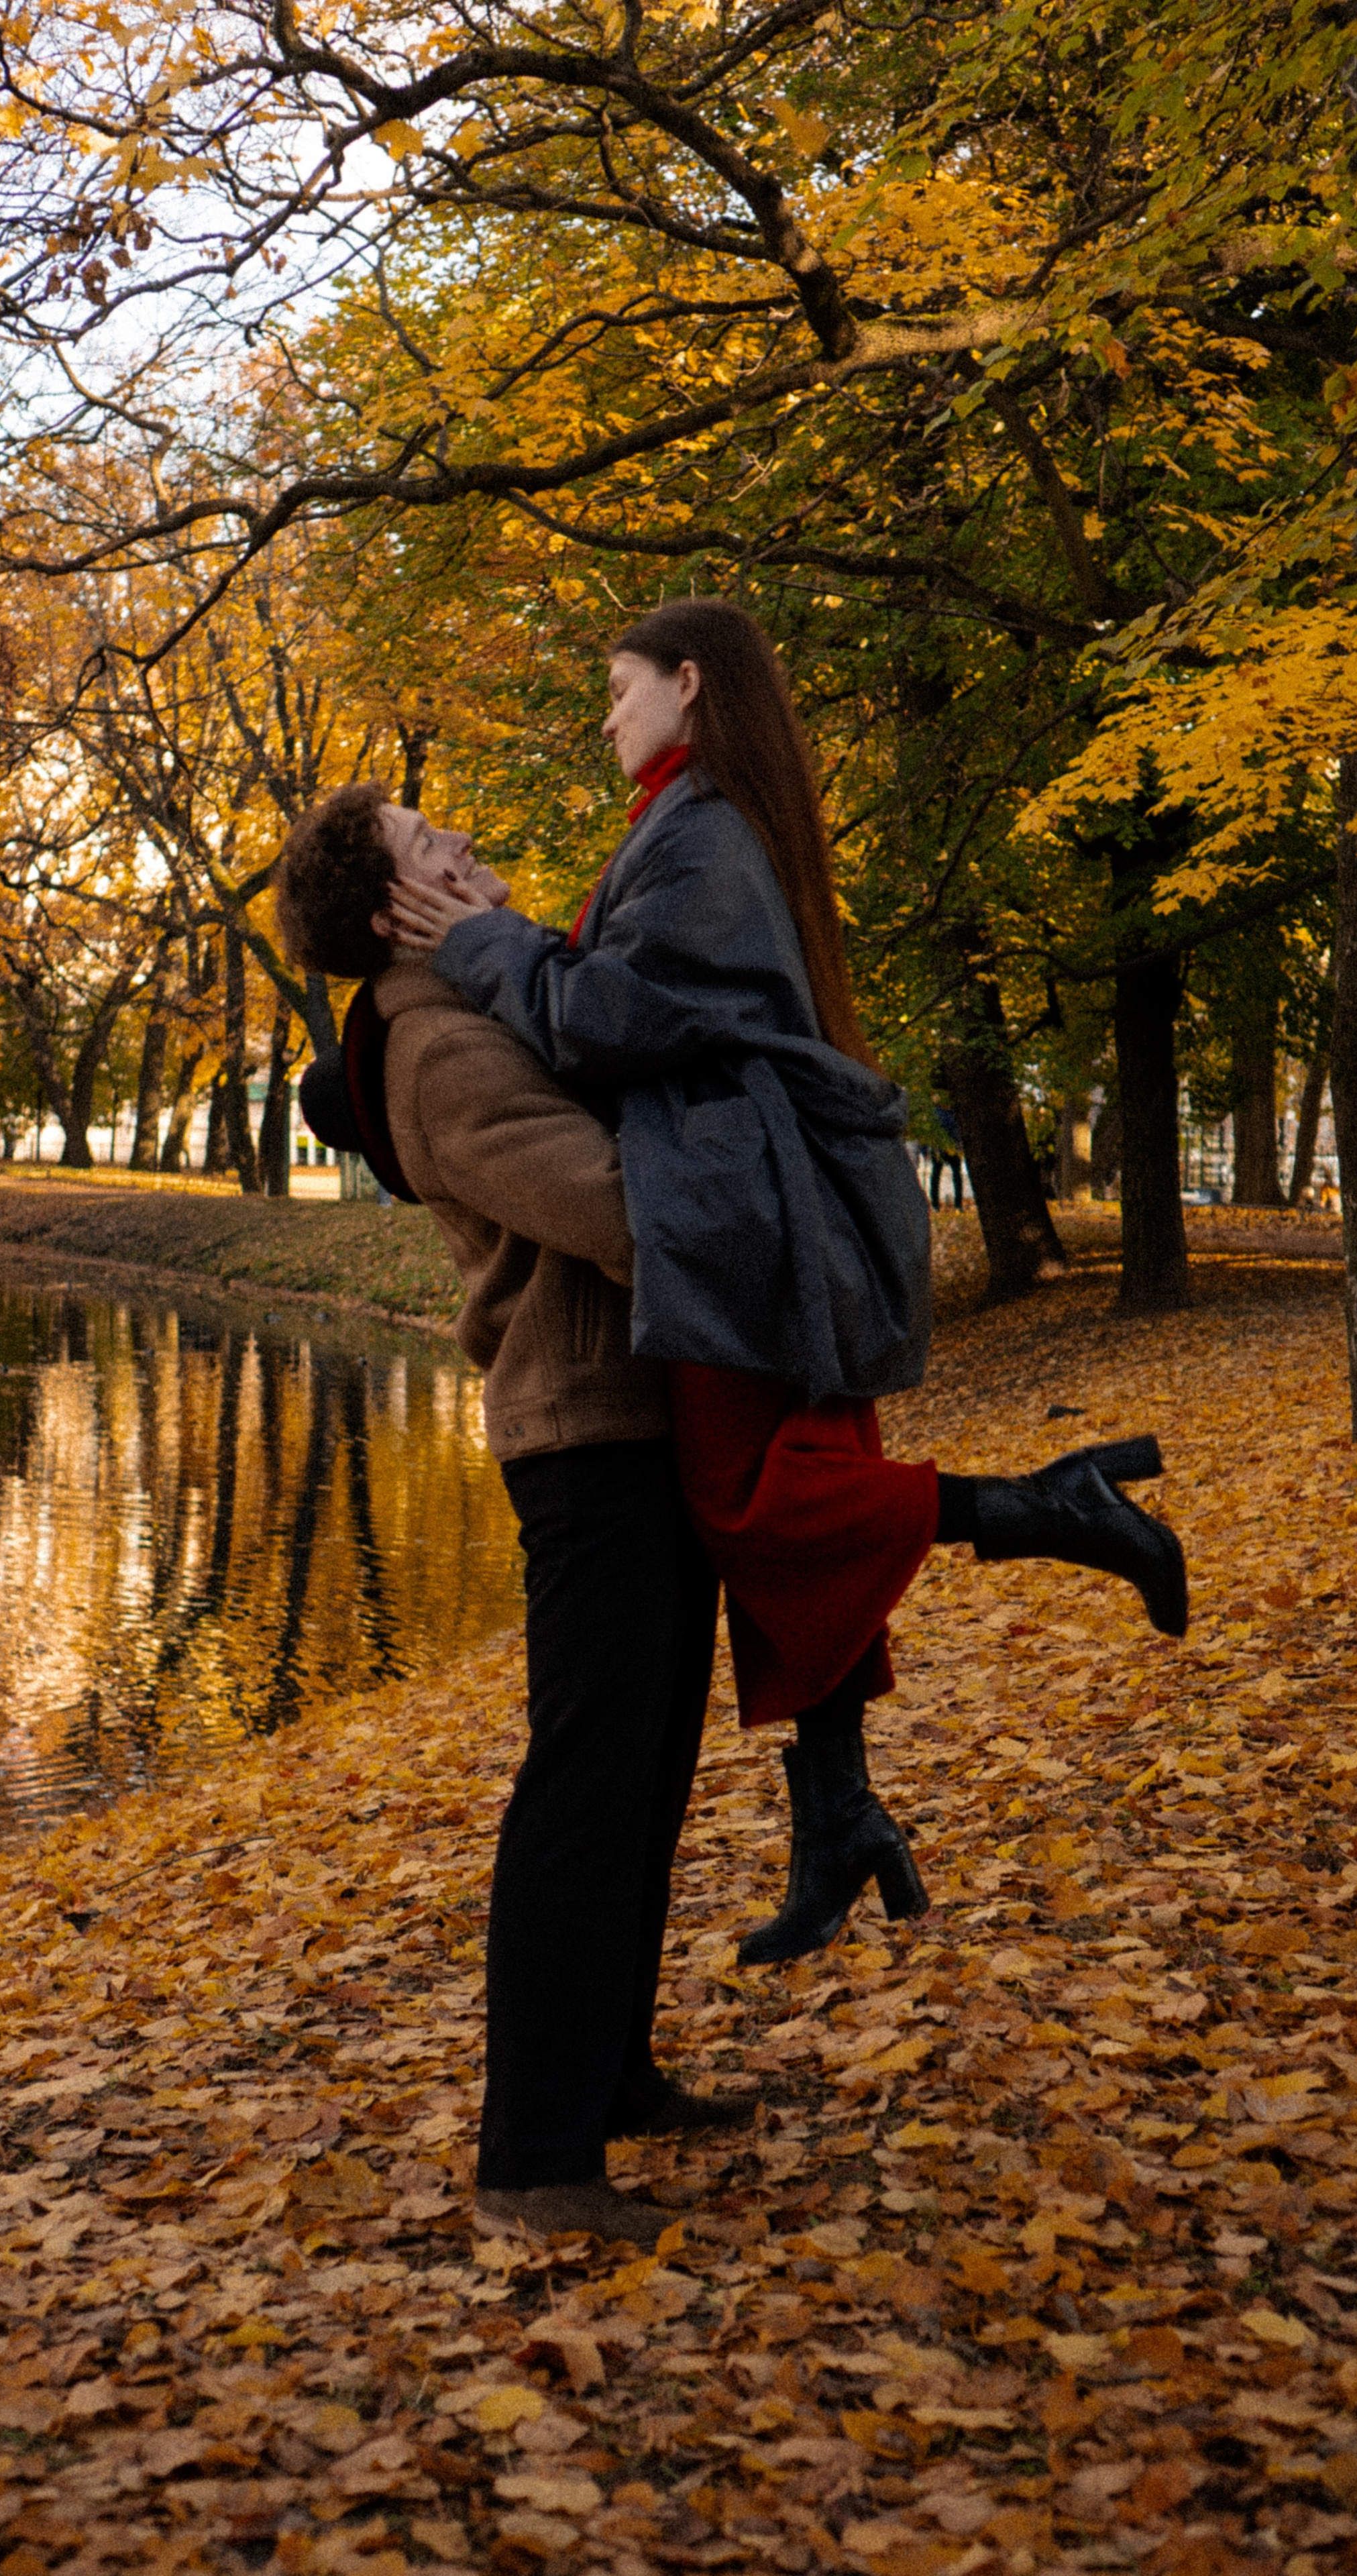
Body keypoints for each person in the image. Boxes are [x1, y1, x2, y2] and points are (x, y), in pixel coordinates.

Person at [381, 599, 1189, 1964]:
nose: (602, 715)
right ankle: (837, 1813)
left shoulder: (699, 832)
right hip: (747, 1206)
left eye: (617, 686)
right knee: (796, 1489)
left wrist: (473, 946)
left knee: (751, 1505)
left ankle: (1058, 1507)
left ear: (687, 684)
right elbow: (612, 1004)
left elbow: (599, 1021)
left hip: (732, 1219)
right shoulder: (689, 820)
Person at [274, 784, 749, 2254]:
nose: (470, 850)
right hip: (580, 1437)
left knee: (645, 1773)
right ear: (388, 915)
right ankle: (532, 2155)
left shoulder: (490, 1008)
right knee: (582, 1790)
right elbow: (609, 1204)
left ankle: (608, 2078)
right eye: (436, 853)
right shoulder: (436, 1045)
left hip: (638, 1416)